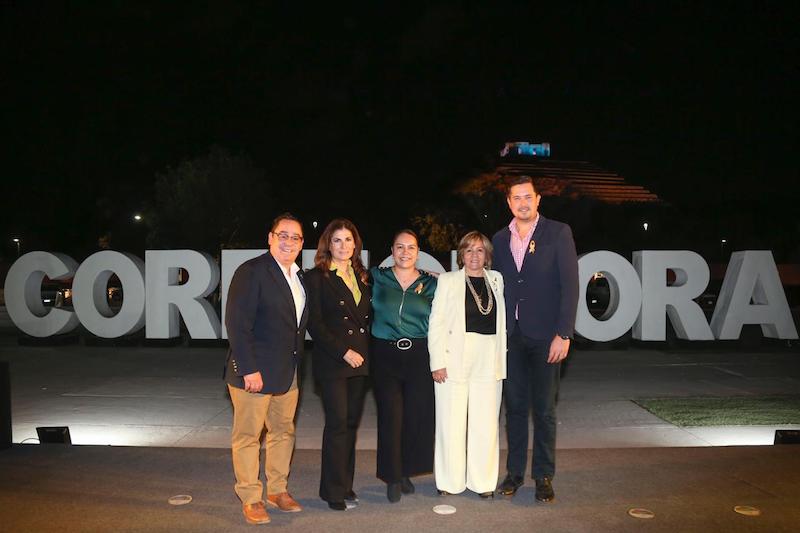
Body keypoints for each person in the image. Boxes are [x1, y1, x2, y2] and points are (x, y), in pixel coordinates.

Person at [491, 175, 579, 503]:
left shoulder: (558, 233)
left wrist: (564, 333)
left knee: (543, 410)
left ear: (538, 199)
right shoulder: (499, 239)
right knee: (513, 409)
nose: (523, 203)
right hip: (511, 337)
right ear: (509, 203)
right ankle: (513, 473)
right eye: (516, 198)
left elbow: (570, 286)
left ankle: (543, 475)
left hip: (547, 337)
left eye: (528, 196)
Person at [223, 213, 308, 525]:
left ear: (301, 244)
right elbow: (236, 324)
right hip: (254, 373)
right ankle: (250, 497)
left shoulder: (298, 276)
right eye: (282, 235)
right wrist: (248, 369)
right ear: (270, 237)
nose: (288, 241)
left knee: (283, 432)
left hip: (287, 372)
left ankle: (278, 490)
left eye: (295, 237)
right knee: (248, 436)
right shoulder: (252, 271)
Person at [428, 231, 506, 498]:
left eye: (480, 250)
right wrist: (437, 362)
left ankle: (482, 482)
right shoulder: (448, 281)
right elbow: (436, 323)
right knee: (451, 422)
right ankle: (450, 482)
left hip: (489, 357)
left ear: (487, 255)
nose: (474, 256)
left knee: (486, 424)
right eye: (469, 250)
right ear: (461, 255)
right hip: (453, 358)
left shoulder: (496, 280)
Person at [304, 219, 371, 511]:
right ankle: (332, 491)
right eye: (337, 241)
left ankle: (346, 485)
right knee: (337, 424)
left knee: (351, 425)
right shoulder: (317, 277)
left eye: (348, 240)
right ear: (327, 245)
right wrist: (344, 351)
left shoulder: (363, 275)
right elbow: (315, 324)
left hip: (362, 361)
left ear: (355, 244)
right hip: (334, 361)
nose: (343, 246)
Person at [370, 229, 437, 502]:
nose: (405, 252)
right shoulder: (376, 277)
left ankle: (407, 470)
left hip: (419, 355)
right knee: (390, 416)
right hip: (384, 355)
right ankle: (391, 477)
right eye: (400, 247)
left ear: (417, 252)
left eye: (410, 247)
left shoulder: (431, 283)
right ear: (392, 250)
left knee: (415, 417)